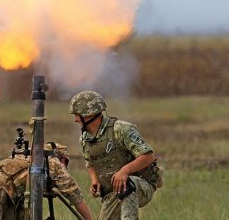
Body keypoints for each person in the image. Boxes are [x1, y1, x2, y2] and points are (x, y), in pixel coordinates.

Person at [69, 91, 162, 220]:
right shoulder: (85, 138)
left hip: (139, 186)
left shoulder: (121, 129)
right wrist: (94, 180)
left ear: (89, 114)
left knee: (127, 185)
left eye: (77, 115)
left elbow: (147, 156)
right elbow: (89, 162)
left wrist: (124, 171)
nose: (75, 120)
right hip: (113, 193)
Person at [0, 142, 93, 220]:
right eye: (65, 162)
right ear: (60, 158)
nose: (65, 167)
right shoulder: (52, 162)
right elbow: (76, 197)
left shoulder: (19, 157)